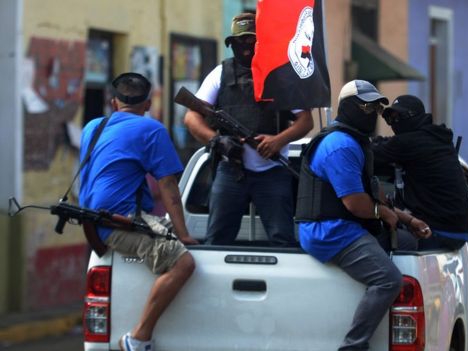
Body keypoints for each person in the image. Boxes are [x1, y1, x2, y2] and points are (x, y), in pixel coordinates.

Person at [296, 80, 429, 350]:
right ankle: (354, 345)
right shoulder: (341, 145)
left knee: (406, 243)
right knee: (388, 279)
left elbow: (372, 194)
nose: (372, 113)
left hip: (343, 227)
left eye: (376, 108)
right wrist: (382, 213)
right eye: (366, 106)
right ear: (348, 108)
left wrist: (406, 219)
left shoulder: (356, 142)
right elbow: (356, 204)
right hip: (329, 231)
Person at [79, 72, 198, 351]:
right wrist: (184, 234)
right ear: (147, 104)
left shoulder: (93, 127)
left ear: (113, 102)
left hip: (95, 222)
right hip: (119, 223)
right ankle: (139, 337)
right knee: (184, 263)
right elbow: (168, 185)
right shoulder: (151, 130)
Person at [184, 12, 313, 246]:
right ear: (231, 44)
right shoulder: (220, 74)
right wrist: (216, 141)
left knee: (282, 240)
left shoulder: (280, 76)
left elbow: (306, 121)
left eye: (251, 41)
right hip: (231, 170)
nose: (245, 48)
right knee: (217, 240)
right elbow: (191, 118)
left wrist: (277, 141)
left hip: (272, 171)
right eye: (239, 42)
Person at [372, 95, 468, 251]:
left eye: (399, 117)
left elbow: (370, 152)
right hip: (457, 232)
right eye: (390, 119)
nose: (394, 123)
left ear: (413, 116)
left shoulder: (410, 143)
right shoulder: (434, 139)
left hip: (437, 231)